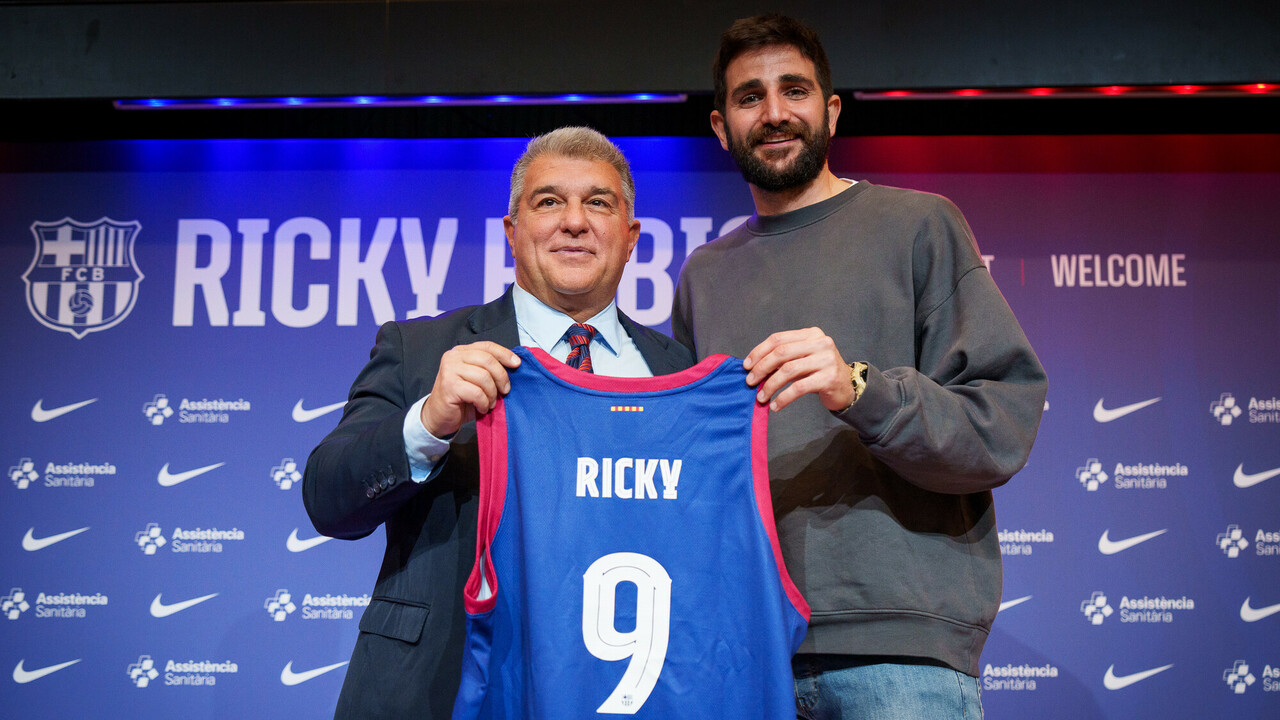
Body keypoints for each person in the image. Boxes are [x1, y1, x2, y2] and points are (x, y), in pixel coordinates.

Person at [672, 14, 1048, 719]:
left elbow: (1000, 425)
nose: (775, 113)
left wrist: (858, 388)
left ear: (832, 111)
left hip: (902, 663)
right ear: (721, 127)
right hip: (748, 656)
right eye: (750, 97)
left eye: (795, 90)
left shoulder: (920, 225)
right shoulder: (704, 276)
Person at [303, 126, 695, 720]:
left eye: (598, 203)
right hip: (442, 686)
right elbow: (327, 499)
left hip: (624, 686)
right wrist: (427, 423)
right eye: (549, 201)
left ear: (630, 236)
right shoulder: (421, 349)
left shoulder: (679, 373)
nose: (574, 221)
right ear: (512, 231)